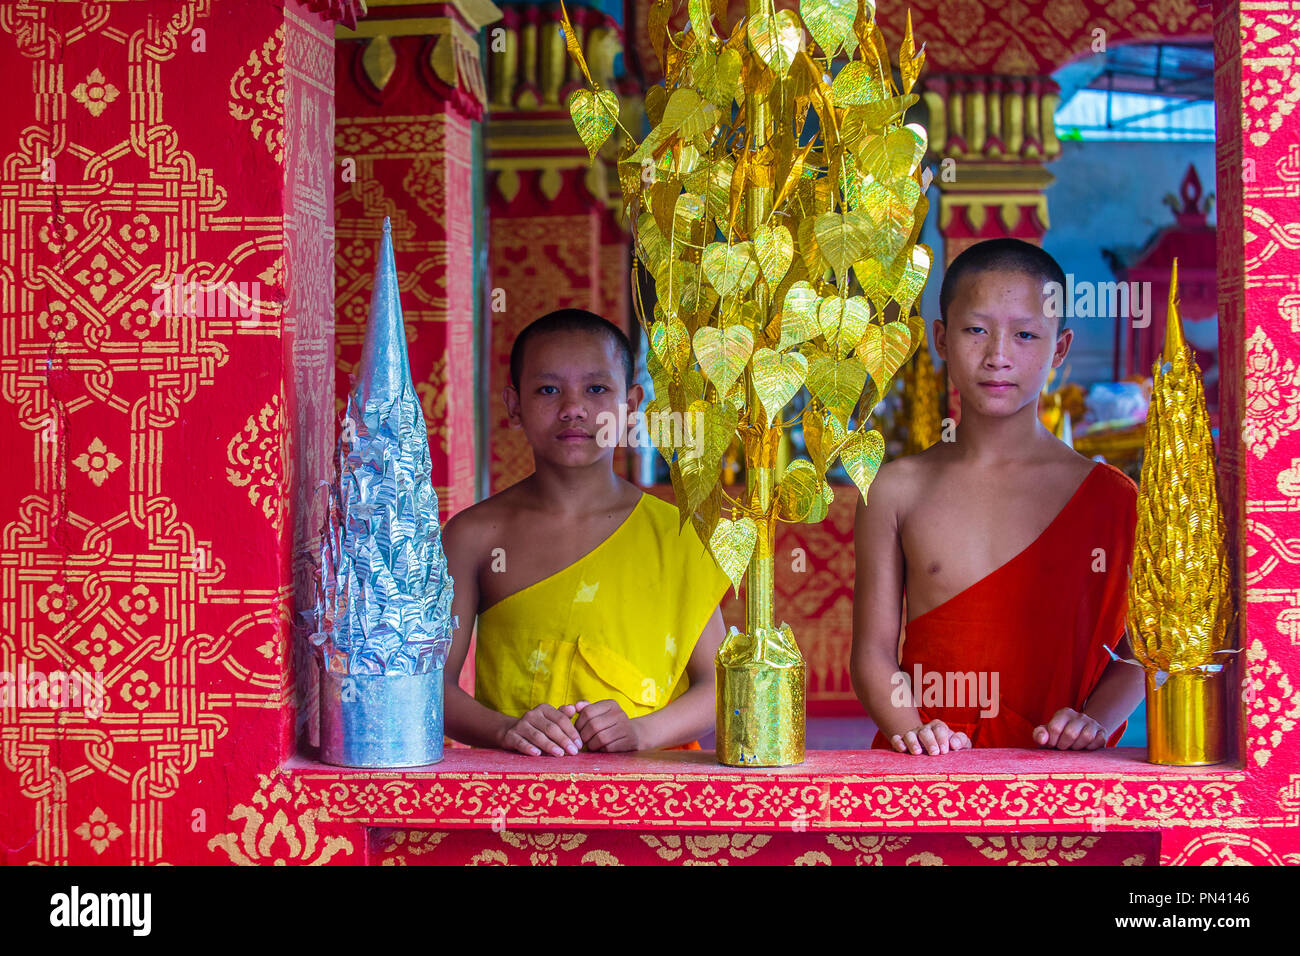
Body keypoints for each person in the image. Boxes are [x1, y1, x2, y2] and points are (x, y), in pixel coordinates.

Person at [851, 238, 1145, 755]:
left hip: (1060, 769)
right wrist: (913, 730)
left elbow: (1143, 652)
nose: (998, 356)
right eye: (976, 330)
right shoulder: (894, 490)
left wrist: (1091, 722)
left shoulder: (1114, 499)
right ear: (941, 338)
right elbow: (873, 653)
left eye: (1026, 334)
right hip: (926, 768)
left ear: (1060, 348)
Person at [442, 308, 730, 755]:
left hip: (651, 793)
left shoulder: (675, 533)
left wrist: (641, 733)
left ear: (631, 405)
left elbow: (718, 685)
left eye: (597, 389)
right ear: (514, 406)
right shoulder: (475, 536)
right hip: (514, 795)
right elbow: (428, 688)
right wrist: (506, 731)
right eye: (548, 389)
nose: (573, 408)